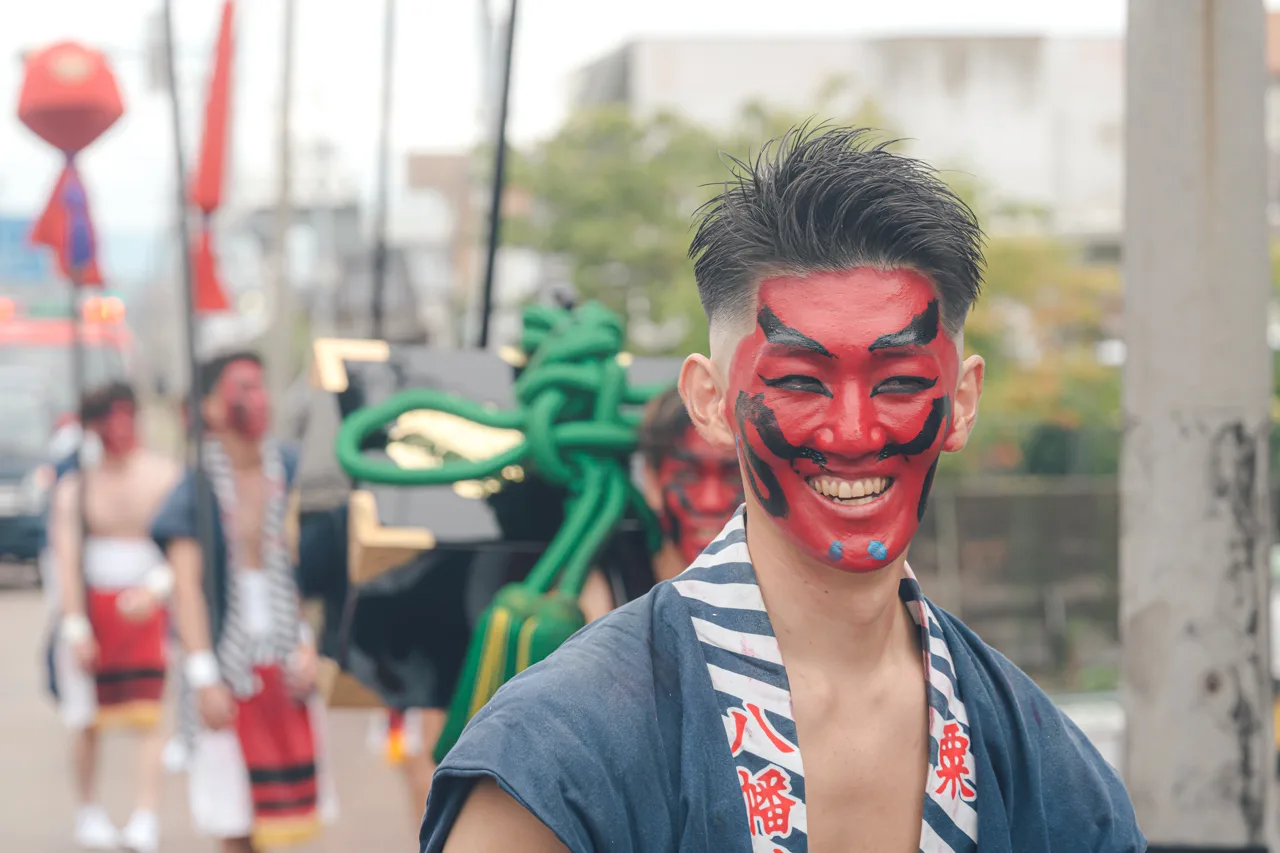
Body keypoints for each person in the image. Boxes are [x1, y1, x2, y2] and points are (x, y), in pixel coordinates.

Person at [419, 125, 1144, 852]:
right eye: (800, 381)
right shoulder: (560, 757)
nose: (853, 433)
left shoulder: (1053, 775)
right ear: (710, 401)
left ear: (960, 402)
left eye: (899, 383)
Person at [152, 351, 337, 852]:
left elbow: (311, 571)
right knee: (233, 819)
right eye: (243, 388)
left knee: (286, 810)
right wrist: (202, 676)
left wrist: (310, 647)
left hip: (285, 653)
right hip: (224, 662)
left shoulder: (292, 472)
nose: (258, 399)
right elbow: (187, 588)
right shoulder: (196, 488)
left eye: (261, 386)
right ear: (210, 407)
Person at [48, 382, 181, 852]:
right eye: (108, 420)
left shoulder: (165, 476)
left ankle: (146, 816)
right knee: (86, 719)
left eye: (126, 416)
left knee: (149, 717)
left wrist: (156, 589)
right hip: (92, 612)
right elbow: (65, 561)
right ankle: (88, 811)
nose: (119, 430)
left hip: (149, 608)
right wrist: (75, 626)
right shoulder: (75, 488)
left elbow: (184, 552)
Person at [636, 386, 745, 583]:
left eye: (736, 478)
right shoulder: (608, 582)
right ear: (652, 481)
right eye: (687, 476)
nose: (712, 502)